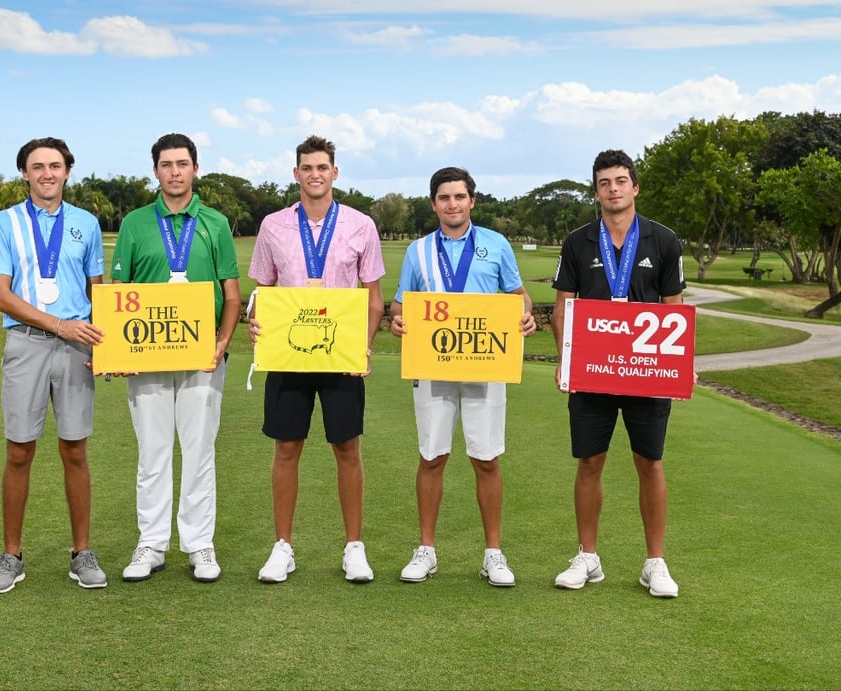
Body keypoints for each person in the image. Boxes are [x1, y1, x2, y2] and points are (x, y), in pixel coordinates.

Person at [388, 167, 536, 586]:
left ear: (472, 200)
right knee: (432, 456)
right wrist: (397, 322)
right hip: (432, 365)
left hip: (486, 365)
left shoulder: (496, 244)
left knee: (486, 458)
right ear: (433, 203)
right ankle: (426, 550)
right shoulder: (418, 251)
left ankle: (493, 553)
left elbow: (517, 297)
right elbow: (401, 307)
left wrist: (525, 316)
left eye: (460, 196)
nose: (452, 204)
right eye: (444, 197)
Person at [247, 135, 385, 584]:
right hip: (288, 353)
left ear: (335, 172)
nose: (315, 174)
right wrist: (254, 321)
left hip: (341, 354)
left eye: (322, 167)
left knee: (347, 448)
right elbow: (263, 294)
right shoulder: (272, 225)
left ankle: (353, 548)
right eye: (307, 167)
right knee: (286, 448)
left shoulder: (361, 224)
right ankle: (283, 547)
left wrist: (363, 345)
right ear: (296, 174)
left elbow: (374, 300)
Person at [550, 149, 686, 598]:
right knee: (590, 461)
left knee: (649, 461)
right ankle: (588, 556)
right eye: (605, 182)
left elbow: (673, 312)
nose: (613, 188)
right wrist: (566, 360)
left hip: (646, 372)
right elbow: (563, 308)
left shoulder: (663, 241)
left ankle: (655, 563)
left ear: (635, 187)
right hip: (592, 371)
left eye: (621, 180)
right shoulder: (577, 242)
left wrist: (680, 365)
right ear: (596, 191)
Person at [0, 137, 107, 594]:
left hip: (77, 348)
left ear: (68, 171)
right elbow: (0, 295)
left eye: (55, 166)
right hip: (27, 342)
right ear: (25, 174)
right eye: (38, 167)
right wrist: (59, 324)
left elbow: (99, 294)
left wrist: (104, 346)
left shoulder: (86, 223)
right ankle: (11, 555)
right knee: (19, 450)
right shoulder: (4, 223)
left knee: (75, 448)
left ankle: (82, 553)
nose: (47, 174)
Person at [111, 133, 241, 584]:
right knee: (153, 451)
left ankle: (199, 544)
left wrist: (223, 343)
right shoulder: (134, 223)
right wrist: (117, 351)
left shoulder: (216, 223)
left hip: (202, 358)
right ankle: (151, 543)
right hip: (146, 356)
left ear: (195, 168)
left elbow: (231, 293)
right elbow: (118, 295)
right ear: (156, 171)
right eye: (166, 164)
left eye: (182, 163)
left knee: (200, 451)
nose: (175, 171)